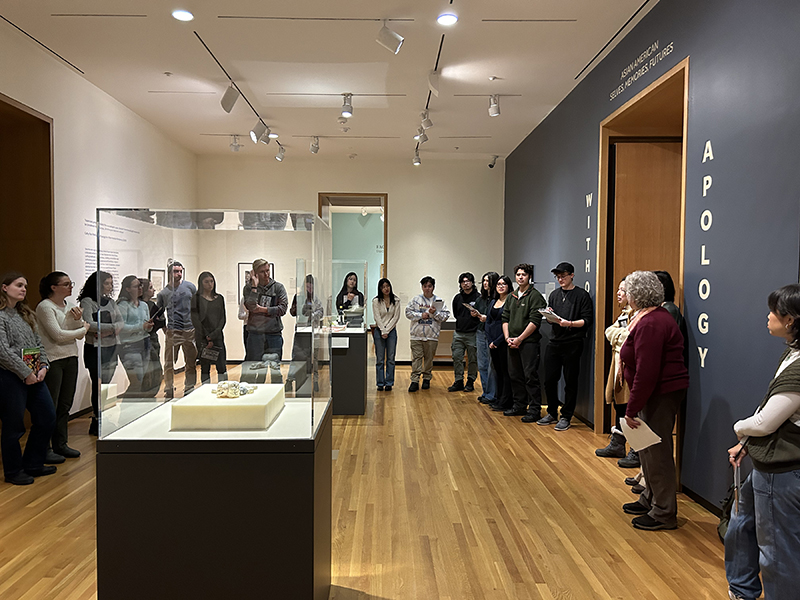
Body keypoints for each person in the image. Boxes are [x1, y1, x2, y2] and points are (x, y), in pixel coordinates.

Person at [725, 283, 800, 600]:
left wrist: (740, 428)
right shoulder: (792, 352)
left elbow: (767, 420)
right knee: (742, 525)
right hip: (766, 462)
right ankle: (742, 589)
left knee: (777, 549)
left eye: (774, 311)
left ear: (791, 319)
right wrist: (746, 442)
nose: (768, 317)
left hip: (781, 471)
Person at [619, 270, 689, 531]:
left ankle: (664, 511)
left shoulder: (652, 322)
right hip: (654, 392)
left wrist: (633, 406)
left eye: (627, 291)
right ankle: (650, 498)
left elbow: (648, 371)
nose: (624, 295)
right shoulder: (648, 317)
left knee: (656, 452)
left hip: (660, 393)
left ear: (637, 295)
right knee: (646, 448)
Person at [0, 272, 57, 485]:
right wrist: (25, 373)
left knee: (47, 417)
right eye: (18, 285)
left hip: (35, 375)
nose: (23, 289)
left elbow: (38, 343)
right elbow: (3, 351)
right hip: (11, 376)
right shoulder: (1, 316)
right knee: (14, 426)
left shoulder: (26, 314)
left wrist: (43, 366)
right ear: (5, 288)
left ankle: (33, 462)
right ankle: (14, 471)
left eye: (25, 286)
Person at [36, 272, 90, 460]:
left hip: (71, 357)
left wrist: (78, 325)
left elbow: (79, 336)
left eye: (70, 283)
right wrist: (82, 328)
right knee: (52, 404)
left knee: (65, 403)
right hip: (53, 359)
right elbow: (57, 335)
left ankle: (61, 444)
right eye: (66, 284)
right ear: (53, 287)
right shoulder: (45, 307)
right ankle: (45, 448)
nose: (70, 286)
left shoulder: (71, 306)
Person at [538, 262, 594, 431]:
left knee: (570, 381)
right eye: (558, 277)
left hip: (573, 342)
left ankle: (567, 416)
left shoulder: (581, 295)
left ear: (572, 275)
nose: (560, 279)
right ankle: (552, 412)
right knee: (549, 380)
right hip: (554, 342)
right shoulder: (554, 295)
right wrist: (549, 316)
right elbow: (551, 318)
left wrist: (569, 323)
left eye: (563, 276)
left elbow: (587, 321)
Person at [78, 271, 123, 435]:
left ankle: (104, 417)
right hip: (95, 349)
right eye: (106, 283)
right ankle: (96, 420)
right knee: (97, 386)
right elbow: (89, 323)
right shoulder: (88, 301)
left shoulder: (111, 302)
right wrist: (112, 329)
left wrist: (107, 331)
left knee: (106, 386)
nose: (110, 286)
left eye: (111, 283)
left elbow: (121, 322)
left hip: (111, 347)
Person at [502, 263, 546, 420]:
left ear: (529, 277)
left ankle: (534, 409)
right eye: (518, 274)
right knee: (515, 375)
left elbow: (535, 321)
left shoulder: (535, 296)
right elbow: (505, 318)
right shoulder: (512, 296)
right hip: (512, 342)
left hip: (528, 343)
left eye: (524, 275)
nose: (521, 277)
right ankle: (519, 405)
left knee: (530, 376)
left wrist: (520, 339)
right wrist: (508, 338)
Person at [595, 278, 633, 458]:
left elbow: (629, 337)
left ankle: (635, 449)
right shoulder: (624, 313)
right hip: (617, 363)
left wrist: (619, 335)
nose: (618, 294)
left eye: (622, 291)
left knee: (629, 407)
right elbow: (609, 332)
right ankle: (618, 444)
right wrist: (620, 335)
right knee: (619, 405)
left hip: (628, 366)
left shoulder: (638, 314)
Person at [156, 261, 197, 398]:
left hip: (189, 330)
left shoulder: (190, 287)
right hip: (173, 331)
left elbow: (197, 306)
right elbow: (159, 313)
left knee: (190, 362)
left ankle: (189, 387)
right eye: (175, 271)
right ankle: (168, 389)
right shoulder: (164, 293)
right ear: (169, 273)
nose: (178, 274)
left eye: (180, 271)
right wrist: (164, 329)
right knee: (168, 363)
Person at [243, 258, 288, 384]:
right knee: (252, 369)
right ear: (255, 273)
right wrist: (254, 287)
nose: (266, 274)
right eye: (262, 272)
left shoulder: (278, 287)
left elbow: (282, 309)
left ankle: (276, 396)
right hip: (255, 333)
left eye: (268, 270)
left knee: (275, 370)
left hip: (274, 333)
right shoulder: (248, 288)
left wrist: (262, 309)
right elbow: (251, 306)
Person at [405, 276, 450, 392]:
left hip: (432, 335)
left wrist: (434, 314)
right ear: (422, 287)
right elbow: (408, 313)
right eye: (425, 286)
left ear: (433, 287)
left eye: (429, 286)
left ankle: (426, 378)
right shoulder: (415, 300)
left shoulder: (439, 301)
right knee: (416, 358)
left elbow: (445, 316)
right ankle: (414, 380)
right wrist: (421, 315)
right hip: (417, 335)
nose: (427, 289)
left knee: (429, 359)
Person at [286, 275, 323, 394]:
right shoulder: (298, 297)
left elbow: (320, 312)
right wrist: (302, 308)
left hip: (313, 331)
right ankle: (290, 379)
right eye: (307, 284)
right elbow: (293, 312)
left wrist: (312, 314)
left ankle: (315, 381)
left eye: (311, 285)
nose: (309, 287)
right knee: (296, 356)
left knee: (314, 358)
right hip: (301, 331)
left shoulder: (316, 298)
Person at [117, 276, 153, 396]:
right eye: (136, 286)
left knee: (142, 379)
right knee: (136, 381)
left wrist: (149, 326)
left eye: (140, 285)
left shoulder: (144, 305)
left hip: (144, 342)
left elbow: (146, 325)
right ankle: (126, 409)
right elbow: (121, 327)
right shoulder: (122, 306)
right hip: (129, 345)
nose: (140, 288)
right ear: (127, 289)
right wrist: (141, 326)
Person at [191, 271, 227, 385]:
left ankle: (224, 390)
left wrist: (214, 334)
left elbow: (223, 318)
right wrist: (207, 337)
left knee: (221, 367)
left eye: (211, 281)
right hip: (202, 338)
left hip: (217, 336)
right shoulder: (196, 298)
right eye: (206, 282)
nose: (209, 284)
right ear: (201, 283)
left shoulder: (219, 298)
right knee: (205, 368)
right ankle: (205, 392)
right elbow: (195, 320)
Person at [449, 272, 481, 392]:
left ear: (472, 283)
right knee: (457, 357)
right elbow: (456, 314)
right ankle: (458, 381)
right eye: (463, 282)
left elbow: (482, 315)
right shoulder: (457, 298)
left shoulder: (478, 298)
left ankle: (471, 381)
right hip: (459, 333)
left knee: (473, 359)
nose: (465, 284)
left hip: (473, 333)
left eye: (468, 281)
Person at [487, 275, 513, 412]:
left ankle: (506, 401)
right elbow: (488, 322)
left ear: (509, 286)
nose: (501, 286)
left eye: (504, 284)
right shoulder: (493, 302)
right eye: (498, 284)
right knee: (497, 371)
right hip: (492, 342)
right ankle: (498, 397)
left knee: (505, 371)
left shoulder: (511, 301)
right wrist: (490, 340)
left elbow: (509, 323)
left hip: (503, 341)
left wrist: (497, 341)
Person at [472, 272, 499, 403]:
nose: (485, 283)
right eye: (483, 281)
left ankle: (492, 394)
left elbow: (499, 317)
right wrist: (475, 314)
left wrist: (486, 318)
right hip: (480, 332)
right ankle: (486, 392)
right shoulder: (480, 299)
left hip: (492, 334)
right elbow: (477, 312)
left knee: (491, 365)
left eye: (488, 281)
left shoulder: (498, 298)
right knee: (482, 364)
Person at [372, 278, 401, 392]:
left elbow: (396, 317)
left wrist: (387, 330)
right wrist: (383, 330)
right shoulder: (376, 301)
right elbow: (377, 317)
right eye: (383, 287)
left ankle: (389, 382)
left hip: (392, 331)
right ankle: (380, 382)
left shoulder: (396, 300)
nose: (386, 289)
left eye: (387, 286)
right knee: (379, 359)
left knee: (390, 358)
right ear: (380, 289)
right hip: (379, 331)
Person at [138, 277, 164, 397]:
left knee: (155, 370)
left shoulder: (152, 305)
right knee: (149, 371)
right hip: (142, 340)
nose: (153, 290)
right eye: (150, 288)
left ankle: (149, 396)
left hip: (153, 338)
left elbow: (162, 322)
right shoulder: (138, 306)